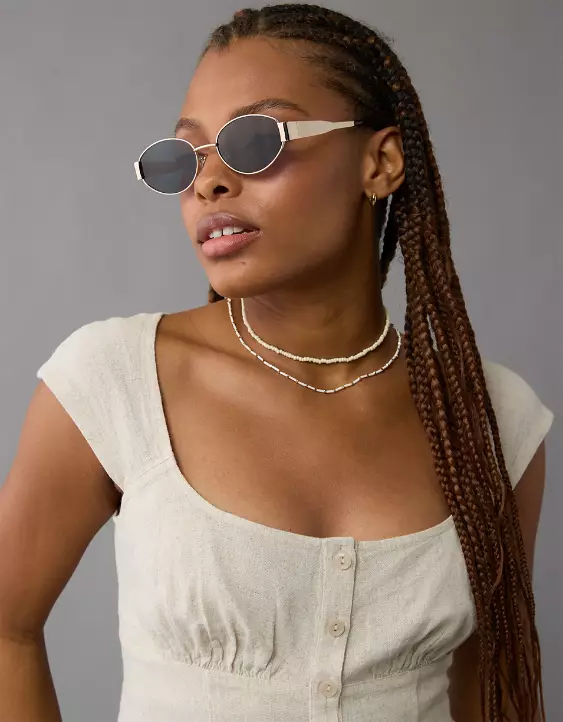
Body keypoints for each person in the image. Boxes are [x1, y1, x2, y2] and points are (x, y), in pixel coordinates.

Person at [0, 4, 554, 722]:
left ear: (380, 163)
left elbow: (497, 684)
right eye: (185, 158)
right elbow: (7, 629)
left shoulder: (488, 419)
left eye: (255, 141)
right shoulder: (116, 380)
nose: (209, 182)